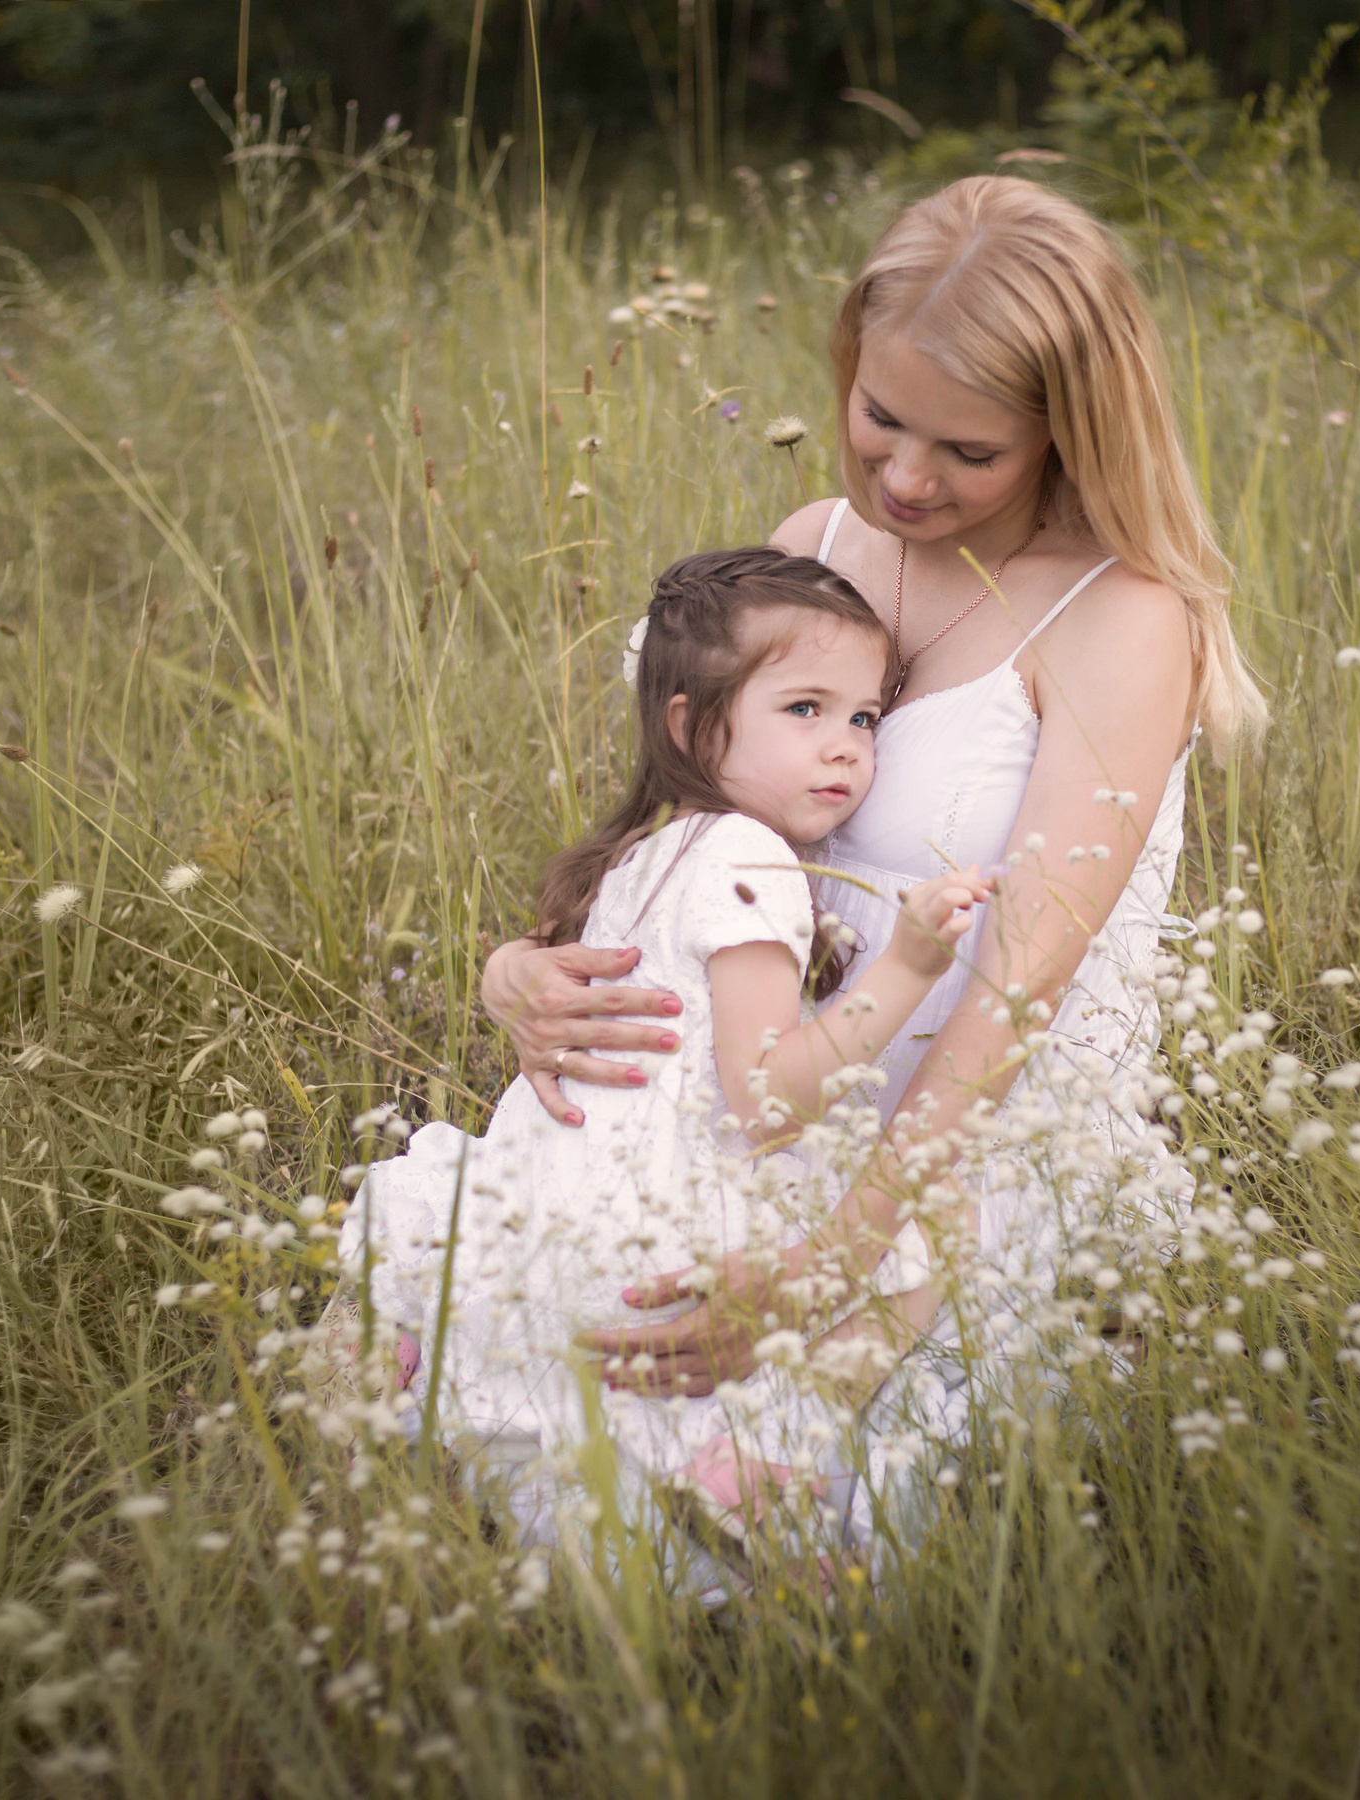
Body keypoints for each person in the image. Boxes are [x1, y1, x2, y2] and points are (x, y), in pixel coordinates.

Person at [480, 175, 1266, 1429]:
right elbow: (691, 815)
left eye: (969, 451)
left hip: (968, 1138)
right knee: (522, 1346)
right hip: (772, 1092)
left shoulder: (1119, 616)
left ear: (1069, 430)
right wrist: (521, 967)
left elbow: (1022, 980)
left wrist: (842, 1260)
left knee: (766, 1447)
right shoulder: (819, 546)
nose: (902, 478)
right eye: (880, 416)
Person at [340, 546, 990, 1555]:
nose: (846, 748)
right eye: (804, 710)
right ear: (688, 722)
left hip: (552, 1206)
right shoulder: (750, 858)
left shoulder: (645, 855)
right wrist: (904, 968)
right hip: (669, 1228)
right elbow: (765, 1099)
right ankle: (771, 1448)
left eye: (863, 717)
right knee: (939, 1215)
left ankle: (434, 1352)